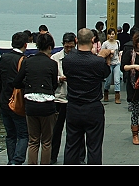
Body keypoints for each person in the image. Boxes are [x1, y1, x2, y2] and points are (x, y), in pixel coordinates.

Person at [62, 28, 112, 165]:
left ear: (76, 40)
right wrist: (103, 57)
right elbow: (105, 73)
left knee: (72, 145)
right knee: (94, 147)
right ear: (93, 40)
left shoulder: (67, 60)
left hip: (73, 106)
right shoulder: (97, 62)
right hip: (92, 107)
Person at [13, 32, 59, 165]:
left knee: (33, 141)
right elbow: (54, 85)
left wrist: (28, 85)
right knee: (46, 141)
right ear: (50, 47)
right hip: (47, 105)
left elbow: (16, 82)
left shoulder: (27, 61)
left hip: (31, 104)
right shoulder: (52, 64)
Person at [0, 31, 30, 165]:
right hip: (18, 102)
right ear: (25, 45)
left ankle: (11, 160)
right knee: (23, 134)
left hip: (4, 100)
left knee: (10, 135)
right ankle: (17, 160)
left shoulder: (3, 58)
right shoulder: (24, 60)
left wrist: (0, 98)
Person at [50, 32, 75, 165]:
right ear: (63, 45)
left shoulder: (78, 58)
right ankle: (52, 156)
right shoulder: (55, 58)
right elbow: (50, 76)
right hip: (59, 98)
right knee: (56, 130)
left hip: (73, 99)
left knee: (74, 131)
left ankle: (74, 157)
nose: (69, 49)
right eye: (67, 47)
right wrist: (59, 78)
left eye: (71, 47)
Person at [101, 28, 122, 104]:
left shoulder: (117, 42)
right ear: (107, 35)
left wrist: (120, 59)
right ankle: (106, 94)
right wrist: (109, 53)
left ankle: (117, 97)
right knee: (108, 80)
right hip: (109, 63)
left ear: (115, 35)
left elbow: (119, 51)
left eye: (113, 34)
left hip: (117, 63)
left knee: (117, 80)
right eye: (110, 34)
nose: (111, 36)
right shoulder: (105, 44)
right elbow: (102, 53)